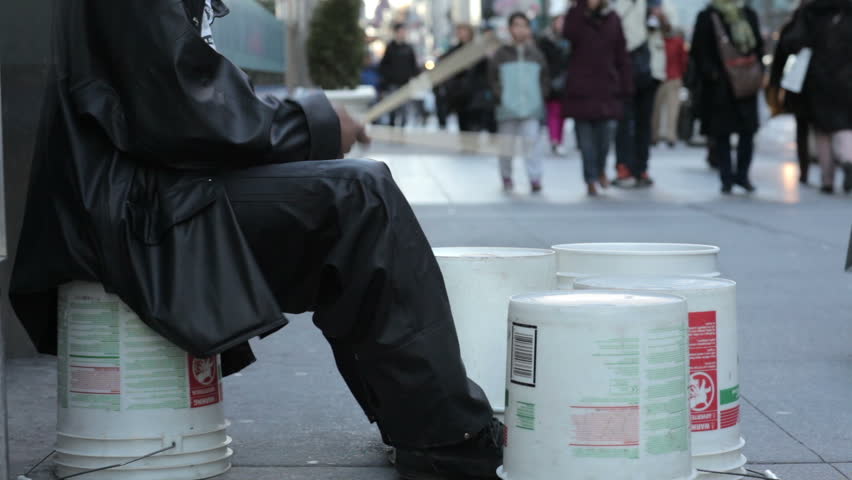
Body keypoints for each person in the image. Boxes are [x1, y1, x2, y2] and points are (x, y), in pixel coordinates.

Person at [9, 1, 503, 479]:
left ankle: (421, 424)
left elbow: (177, 102)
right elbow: (181, 107)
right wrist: (317, 124)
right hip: (124, 212)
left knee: (349, 200)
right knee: (360, 196)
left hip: (133, 197)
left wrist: (308, 129)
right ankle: (443, 437)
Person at [775, 0, 852, 194]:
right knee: (844, 126)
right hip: (847, 80)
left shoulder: (811, 12)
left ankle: (827, 180)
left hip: (818, 79)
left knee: (822, 130)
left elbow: (791, 42)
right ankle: (848, 159)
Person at [691, 0, 764, 194]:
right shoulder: (708, 16)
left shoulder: (747, 14)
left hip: (745, 83)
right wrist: (713, 75)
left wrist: (757, 72)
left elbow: (758, 46)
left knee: (747, 132)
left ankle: (742, 174)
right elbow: (699, 51)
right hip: (720, 87)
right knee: (721, 133)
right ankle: (726, 177)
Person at [563, 0, 633, 196]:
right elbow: (569, 34)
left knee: (605, 136)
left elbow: (621, 54)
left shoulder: (612, 19)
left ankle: (600, 169)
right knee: (586, 143)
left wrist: (626, 84)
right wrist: (580, 9)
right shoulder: (576, 16)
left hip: (607, 88)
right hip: (581, 89)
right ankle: (590, 179)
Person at [489, 12, 550, 193]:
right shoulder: (501, 54)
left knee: (532, 144)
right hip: (507, 108)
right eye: (516, 25)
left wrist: (540, 96)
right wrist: (501, 97)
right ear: (510, 28)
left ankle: (535, 178)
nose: (520, 29)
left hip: (531, 107)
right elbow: (492, 79)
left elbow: (545, 78)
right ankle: (506, 176)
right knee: (506, 145)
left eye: (524, 25)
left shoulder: (537, 54)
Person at [437, 24, 496, 133]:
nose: (461, 34)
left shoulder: (478, 50)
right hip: (460, 94)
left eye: (464, 31)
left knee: (476, 123)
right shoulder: (454, 51)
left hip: (476, 93)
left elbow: (485, 70)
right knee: (463, 123)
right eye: (459, 31)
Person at [537, 15, 571, 154]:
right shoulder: (545, 40)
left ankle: (558, 139)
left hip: (566, 81)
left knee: (562, 113)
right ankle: (555, 140)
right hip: (550, 81)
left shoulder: (569, 40)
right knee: (553, 111)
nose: (561, 25)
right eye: (558, 22)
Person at [652, 26, 688, 147]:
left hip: (662, 77)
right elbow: (684, 60)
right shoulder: (677, 42)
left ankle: (654, 135)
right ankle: (670, 136)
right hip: (673, 77)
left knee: (656, 108)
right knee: (672, 110)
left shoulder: (658, 42)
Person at [379, 23, 420, 127]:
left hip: (405, 83)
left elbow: (414, 66)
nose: (402, 34)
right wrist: (388, 77)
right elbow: (383, 65)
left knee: (404, 110)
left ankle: (402, 130)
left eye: (403, 32)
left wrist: (415, 76)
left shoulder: (408, 48)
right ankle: (392, 129)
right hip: (393, 84)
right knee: (393, 108)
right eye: (400, 32)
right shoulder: (390, 48)